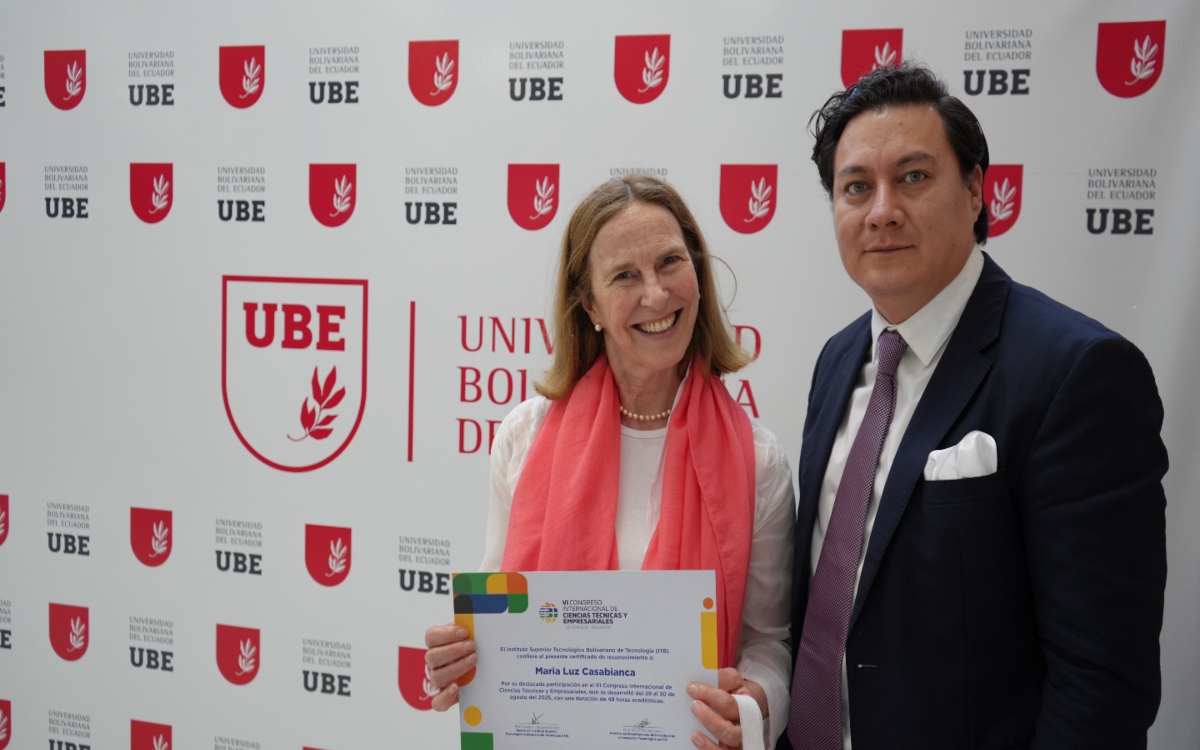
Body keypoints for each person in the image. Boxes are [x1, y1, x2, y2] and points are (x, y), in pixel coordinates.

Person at [782, 64, 1168, 750]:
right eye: (856, 187)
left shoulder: (1075, 374)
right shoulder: (837, 361)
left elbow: (1101, 684)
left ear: (975, 190)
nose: (882, 211)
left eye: (913, 177)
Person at [425, 175, 796, 749]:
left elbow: (769, 641)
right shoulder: (523, 437)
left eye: (671, 261)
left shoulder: (759, 460)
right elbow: (502, 615)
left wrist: (750, 708)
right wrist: (459, 662)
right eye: (625, 275)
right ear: (589, 303)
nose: (655, 294)